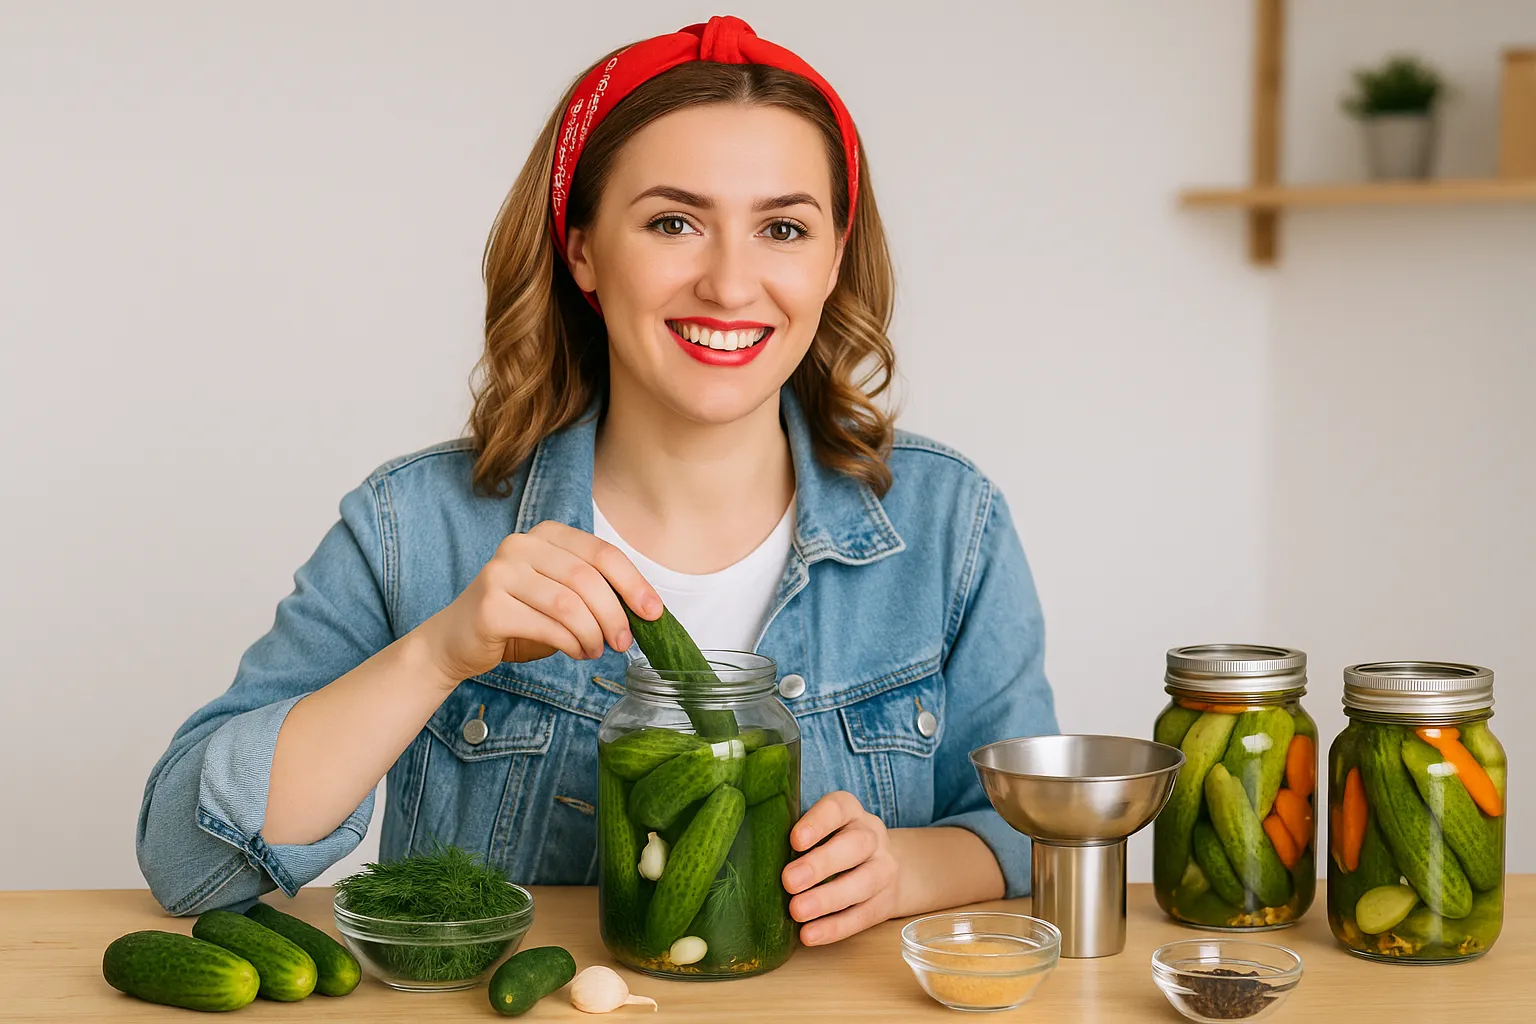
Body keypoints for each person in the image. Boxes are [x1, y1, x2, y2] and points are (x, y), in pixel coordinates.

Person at [136, 15, 1057, 948]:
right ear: (581, 250)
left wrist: (904, 870)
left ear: (832, 259)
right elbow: (186, 859)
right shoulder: (412, 526)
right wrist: (441, 652)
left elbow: (1033, 832)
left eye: (783, 228)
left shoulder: (951, 524)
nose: (732, 285)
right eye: (673, 222)